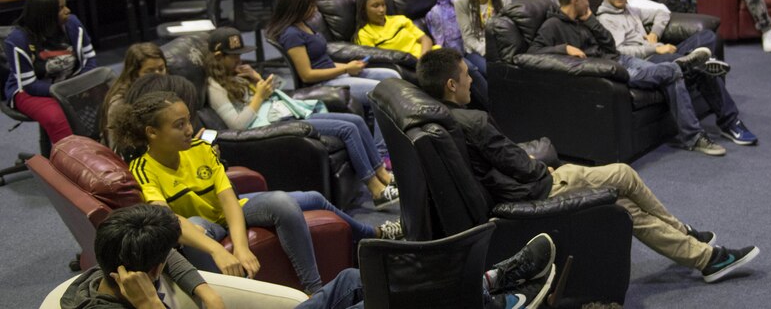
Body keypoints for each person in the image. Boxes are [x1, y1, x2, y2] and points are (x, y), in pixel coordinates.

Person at [418, 47, 761, 284]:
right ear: (451, 84)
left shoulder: (440, 116)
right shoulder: (474, 122)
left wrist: (530, 165)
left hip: (519, 187)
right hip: (537, 189)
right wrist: (540, 169)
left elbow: (502, 159)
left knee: (625, 197)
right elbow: (513, 162)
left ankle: (699, 251)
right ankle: (695, 245)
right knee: (624, 180)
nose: (471, 80)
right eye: (466, 76)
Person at [114, 74, 381, 294]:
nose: (189, 130)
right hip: (204, 226)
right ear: (152, 132)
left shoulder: (200, 148)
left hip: (229, 212)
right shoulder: (142, 170)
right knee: (193, 225)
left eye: (188, 121)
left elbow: (228, 198)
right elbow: (169, 222)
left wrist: (241, 248)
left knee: (282, 201)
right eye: (179, 125)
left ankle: (314, 290)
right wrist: (218, 251)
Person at [61, 203, 557, 309]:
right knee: (381, 305)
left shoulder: (119, 262)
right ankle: (490, 296)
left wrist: (207, 295)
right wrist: (150, 306)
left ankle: (486, 285)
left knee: (351, 280)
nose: (175, 256)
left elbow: (171, 260)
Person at [204, 27, 400, 212]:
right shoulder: (215, 88)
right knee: (346, 129)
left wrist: (256, 78)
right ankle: (376, 191)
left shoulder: (237, 74)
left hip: (284, 112)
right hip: (273, 125)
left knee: (355, 121)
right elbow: (238, 124)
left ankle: (383, 175)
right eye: (234, 56)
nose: (239, 59)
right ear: (219, 57)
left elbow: (276, 91)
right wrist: (258, 96)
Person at [529, 0, 730, 156]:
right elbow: (530, 54)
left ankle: (684, 70)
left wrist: (591, 20)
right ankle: (693, 131)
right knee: (672, 71)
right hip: (611, 71)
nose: (589, 3)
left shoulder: (584, 18)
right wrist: (564, 48)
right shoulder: (552, 25)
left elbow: (609, 45)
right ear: (576, 0)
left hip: (620, 59)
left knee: (672, 72)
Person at [596, 0, 758, 147]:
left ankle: (689, 63)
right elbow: (620, 52)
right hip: (648, 62)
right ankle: (730, 122)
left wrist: (655, 33)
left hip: (663, 52)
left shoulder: (630, 9)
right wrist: (655, 49)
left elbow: (662, 13)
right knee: (702, 68)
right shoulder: (605, 20)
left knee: (707, 36)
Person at [267, 0, 399, 153]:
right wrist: (345, 69)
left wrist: (350, 66)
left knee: (392, 76)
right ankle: (381, 151)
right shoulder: (291, 34)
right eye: (311, 5)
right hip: (323, 83)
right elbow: (307, 75)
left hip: (335, 74)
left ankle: (391, 135)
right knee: (380, 92)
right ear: (298, 6)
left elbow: (322, 61)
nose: (315, 9)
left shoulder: (304, 24)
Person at [59, 204, 226, 309]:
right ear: (155, 271)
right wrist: (151, 304)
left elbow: (168, 254)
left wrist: (210, 296)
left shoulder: (114, 263)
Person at [357, 0, 489, 109]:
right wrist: (420, 64)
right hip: (410, 67)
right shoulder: (365, 34)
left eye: (383, 5)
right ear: (364, 10)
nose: (381, 10)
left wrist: (422, 59)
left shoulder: (399, 20)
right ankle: (488, 109)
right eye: (375, 6)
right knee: (461, 74)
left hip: (431, 56)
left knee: (469, 69)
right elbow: (378, 60)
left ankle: (490, 108)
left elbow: (425, 39)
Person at [3, 0, 97, 144]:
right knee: (56, 117)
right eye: (60, 8)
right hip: (30, 92)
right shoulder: (18, 39)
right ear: (45, 14)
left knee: (112, 99)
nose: (68, 11)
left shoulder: (72, 24)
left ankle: (105, 150)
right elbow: (30, 85)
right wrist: (67, 92)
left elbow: (90, 60)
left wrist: (82, 85)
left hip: (71, 84)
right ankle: (71, 156)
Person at [452, 0, 512, 85]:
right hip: (477, 50)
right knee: (494, 71)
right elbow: (468, 38)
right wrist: (488, 51)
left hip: (502, 45)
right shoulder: (462, 0)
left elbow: (510, 23)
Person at [100, 42, 167, 152]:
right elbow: (118, 148)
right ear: (134, 74)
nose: (158, 75)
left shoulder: (165, 85)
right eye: (149, 71)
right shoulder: (120, 102)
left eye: (161, 69)